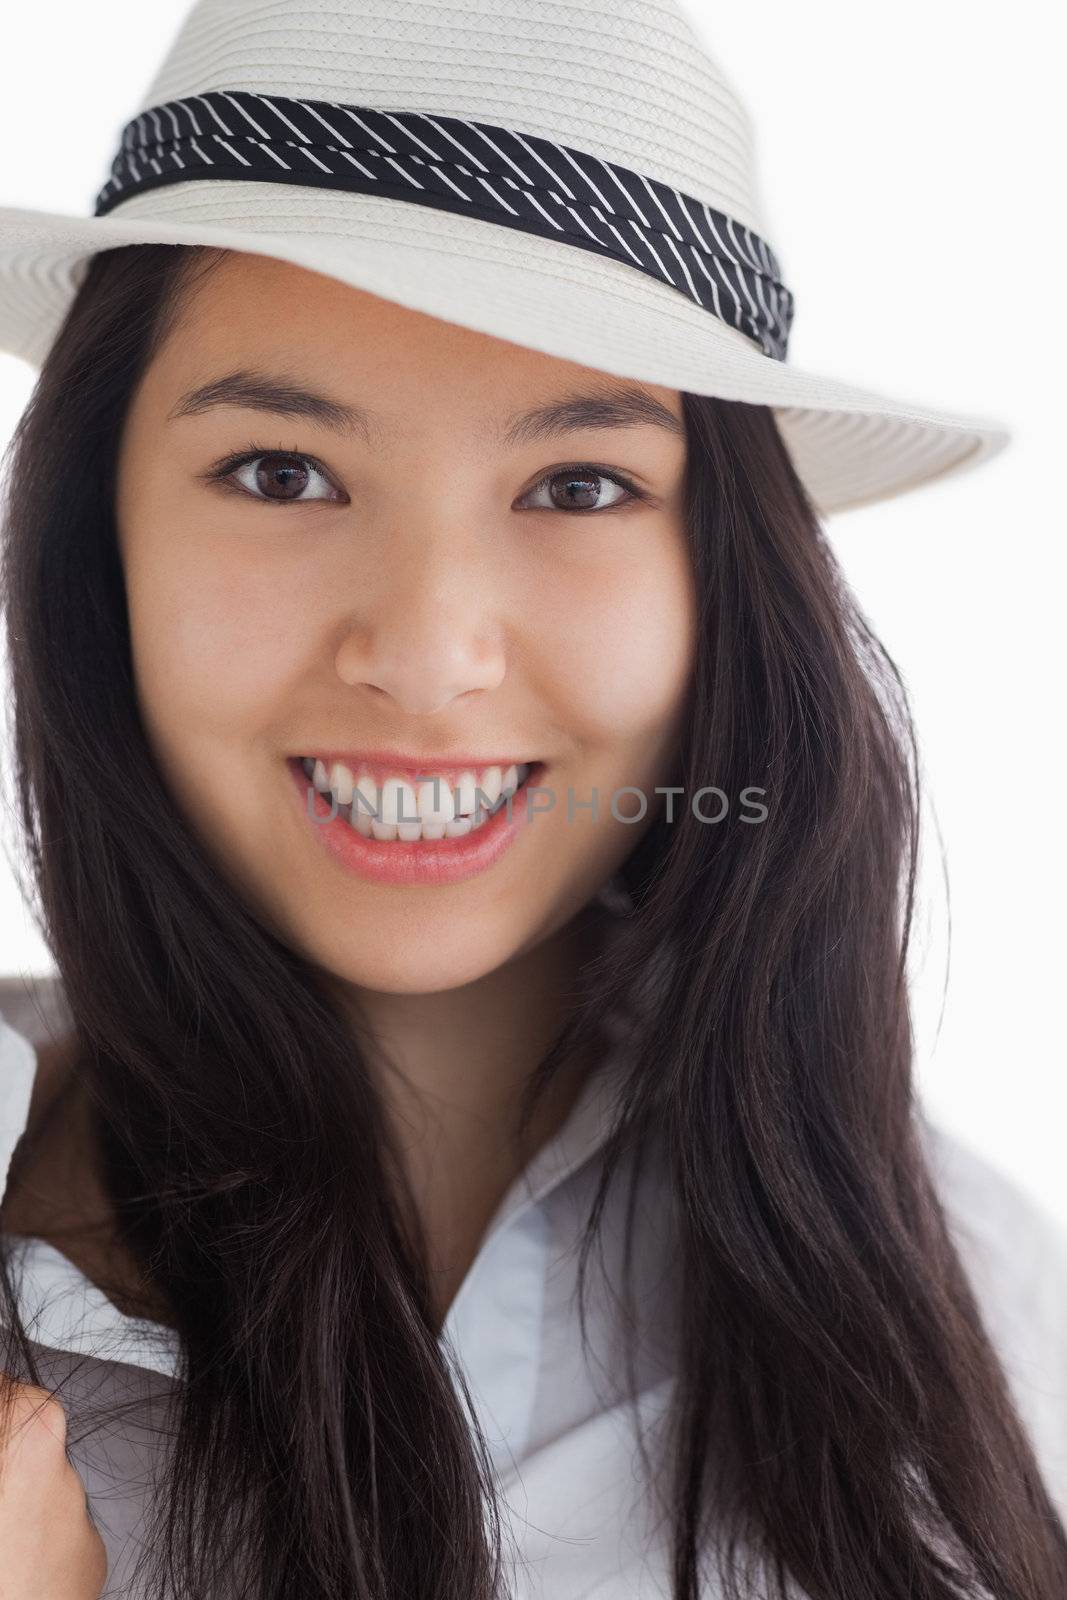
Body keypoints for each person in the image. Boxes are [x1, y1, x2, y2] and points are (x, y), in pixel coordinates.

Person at [0, 3, 1063, 1598]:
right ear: (103, 541)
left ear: (726, 583)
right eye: (282, 472)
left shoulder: (964, 1291)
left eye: (579, 488)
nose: (425, 658)